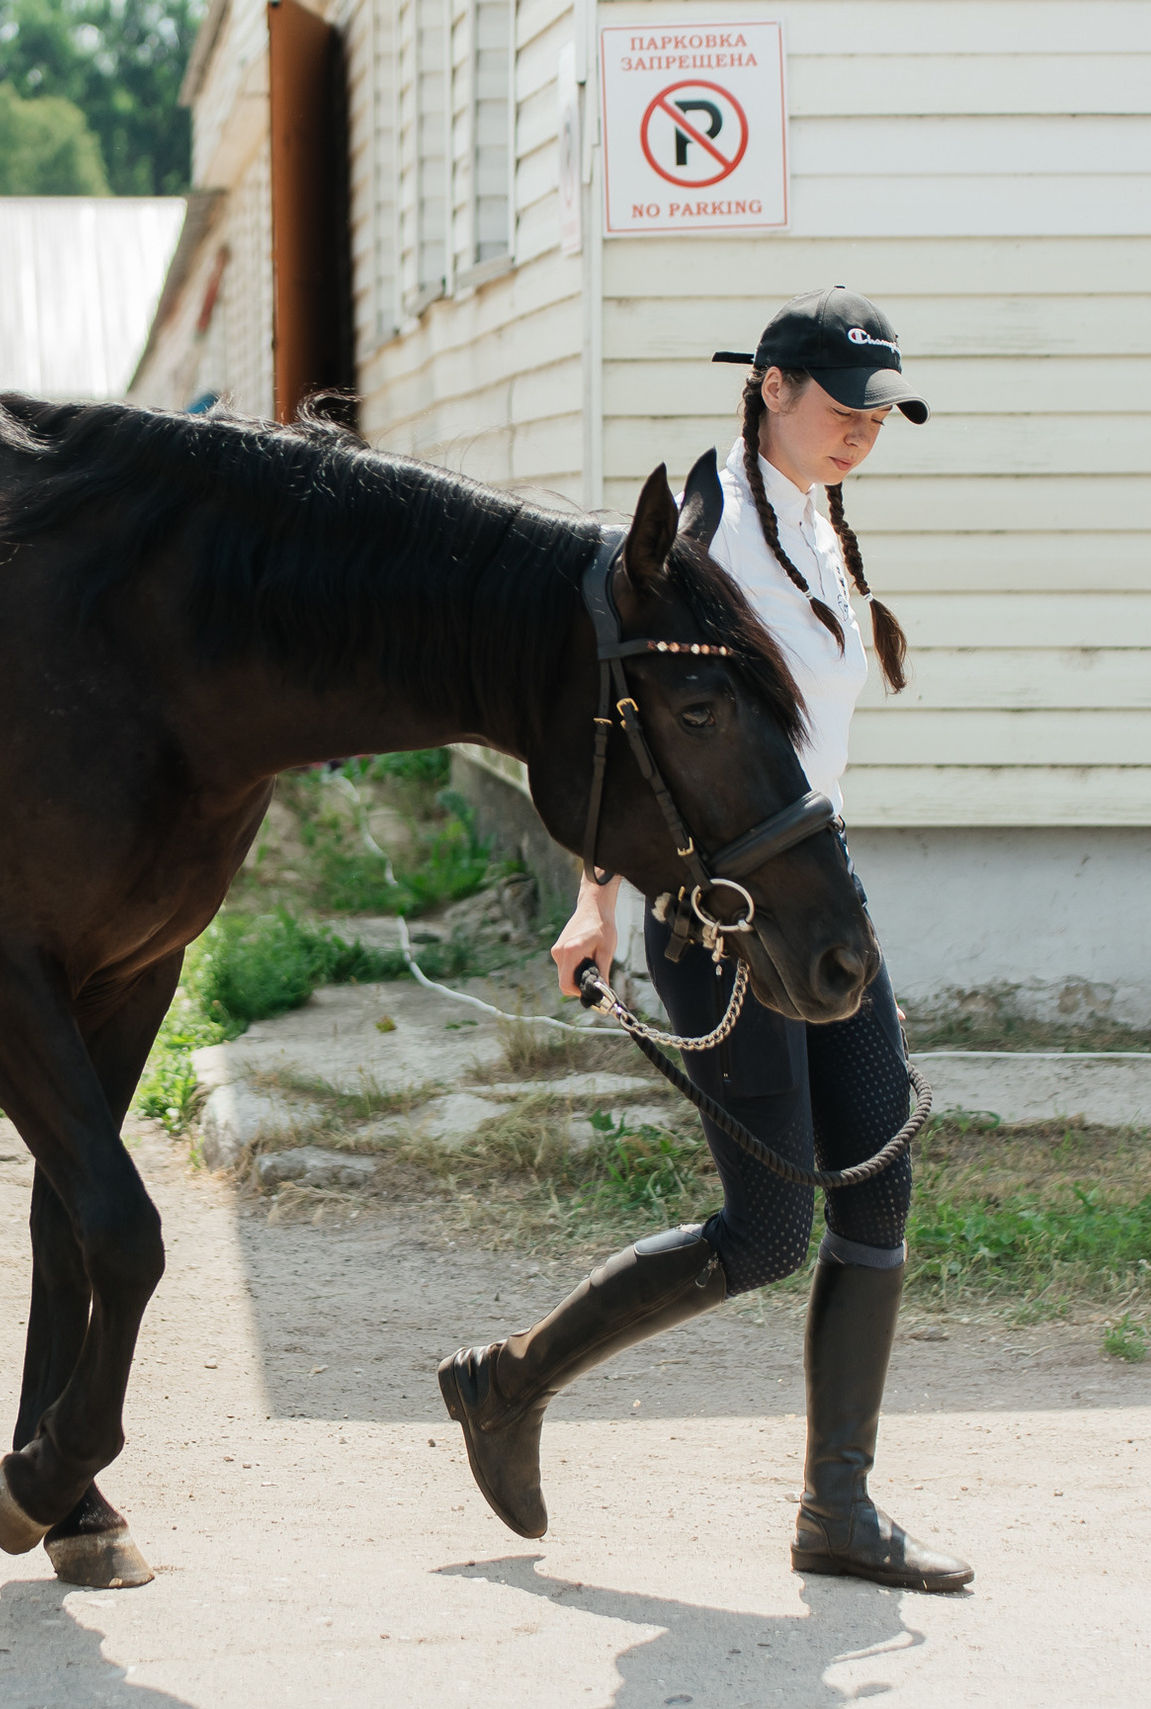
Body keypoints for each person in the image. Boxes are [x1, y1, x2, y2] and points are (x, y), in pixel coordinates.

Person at [435, 287, 971, 1593]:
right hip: (724, 921)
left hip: (813, 898)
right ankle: (510, 1382)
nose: (862, 431)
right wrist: (597, 900)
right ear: (772, 387)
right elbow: (638, 730)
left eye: (879, 413)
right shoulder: (711, 533)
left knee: (879, 1187)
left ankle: (836, 1510)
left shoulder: (814, 519)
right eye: (843, 406)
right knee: (768, 1232)